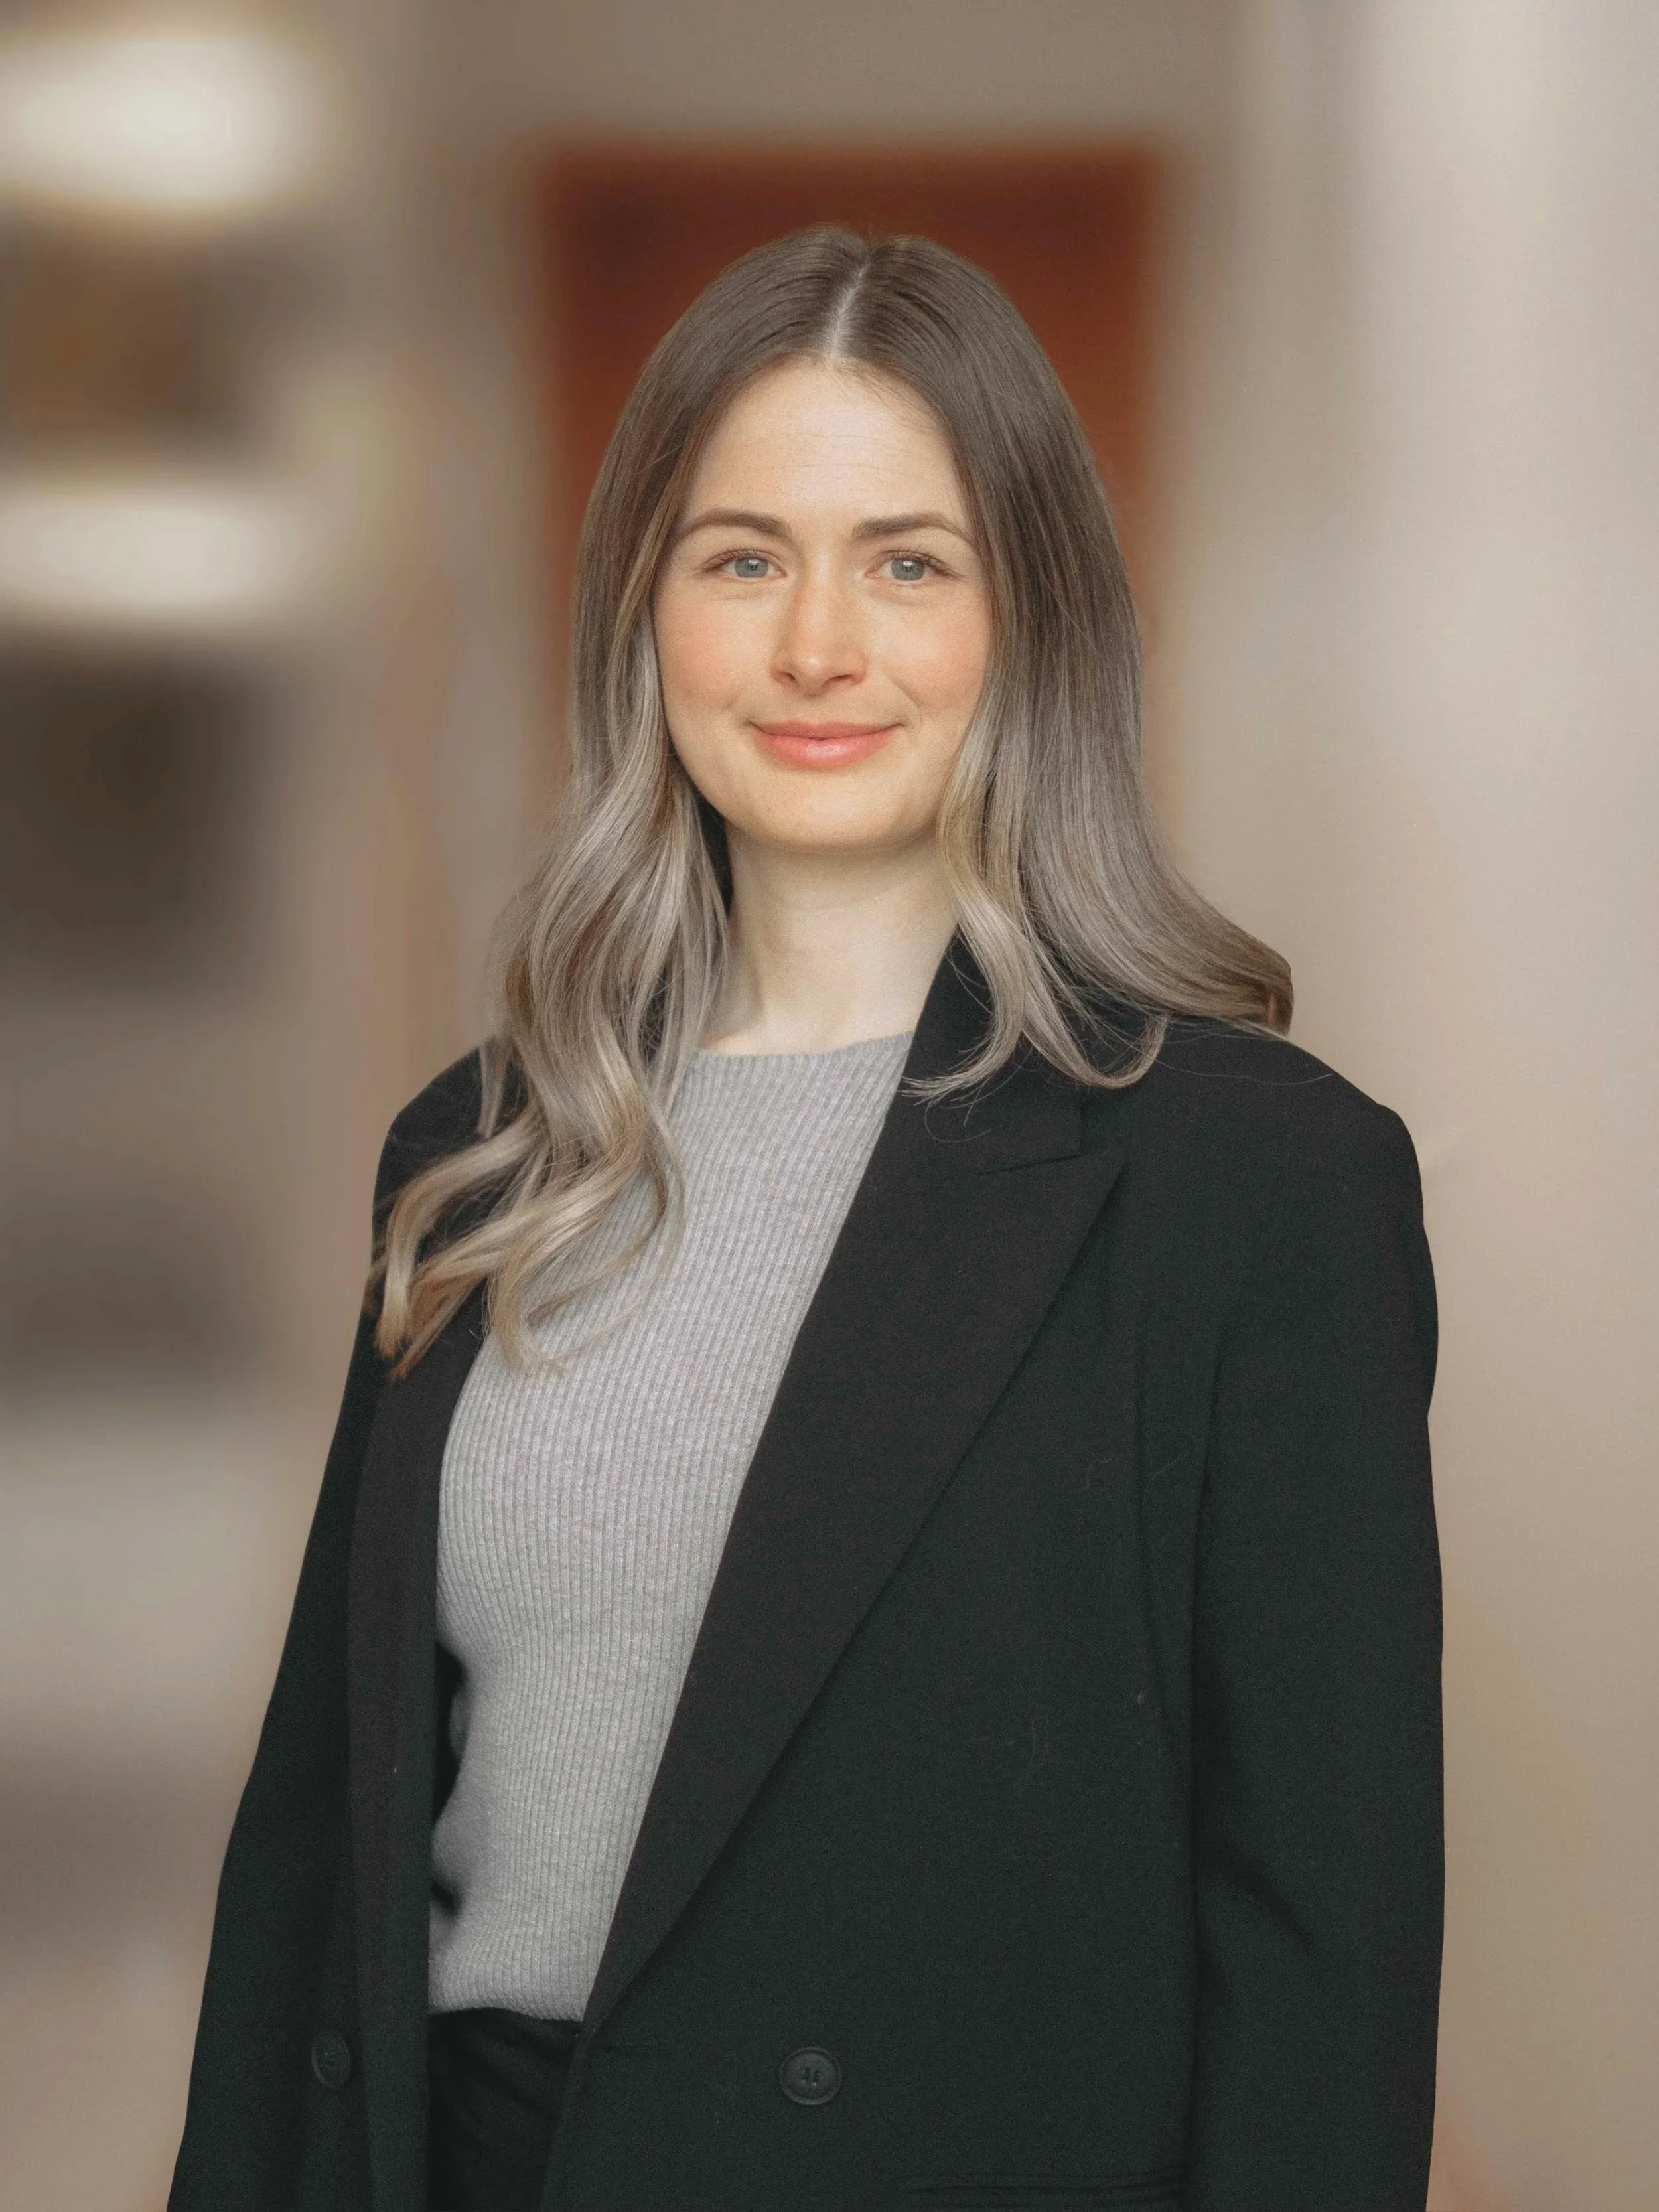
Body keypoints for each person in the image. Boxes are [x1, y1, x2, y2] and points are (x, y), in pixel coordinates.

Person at [169, 228, 1442, 2212]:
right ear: (642, 613)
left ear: (1031, 620)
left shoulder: (1247, 1179)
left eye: (908, 560)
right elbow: (313, 1869)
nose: (817, 645)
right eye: (742, 555)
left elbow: (1320, 1962)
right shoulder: (492, 1148)